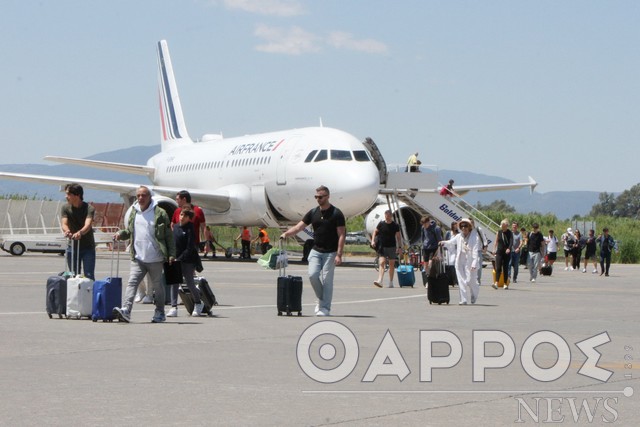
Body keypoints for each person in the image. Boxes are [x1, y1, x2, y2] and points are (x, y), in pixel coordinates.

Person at [112, 186, 176, 323]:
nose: (140, 198)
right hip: (138, 257)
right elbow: (129, 231)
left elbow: (168, 235)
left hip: (155, 257)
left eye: (144, 195)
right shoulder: (134, 212)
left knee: (157, 286)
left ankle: (160, 312)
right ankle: (126, 310)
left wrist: (171, 254)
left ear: (150, 197)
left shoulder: (159, 213)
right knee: (132, 283)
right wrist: (120, 234)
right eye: (138, 196)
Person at [280, 185, 345, 316]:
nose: (318, 199)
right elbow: (299, 227)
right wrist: (286, 234)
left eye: (320, 197)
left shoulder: (336, 213)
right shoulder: (313, 212)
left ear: (327, 196)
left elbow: (342, 235)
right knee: (312, 275)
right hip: (316, 251)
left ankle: (325, 308)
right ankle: (321, 300)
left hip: (331, 252)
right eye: (316, 197)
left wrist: (339, 254)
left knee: (327, 280)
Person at [167, 209, 204, 318]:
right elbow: (173, 243)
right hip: (175, 259)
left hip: (188, 260)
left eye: (185, 215)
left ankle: (198, 303)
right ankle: (173, 307)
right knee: (174, 283)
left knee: (189, 283)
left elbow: (190, 247)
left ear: (189, 218)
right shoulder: (176, 227)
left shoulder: (190, 228)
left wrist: (181, 258)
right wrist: (171, 255)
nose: (181, 217)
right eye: (181, 214)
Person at [439, 218, 481, 305]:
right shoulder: (459, 236)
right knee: (461, 281)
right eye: (462, 226)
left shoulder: (475, 237)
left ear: (469, 227)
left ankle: (474, 293)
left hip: (470, 262)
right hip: (459, 261)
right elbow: (451, 242)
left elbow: (475, 251)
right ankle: (463, 299)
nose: (463, 228)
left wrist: (473, 263)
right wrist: (443, 242)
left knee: (470, 281)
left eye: (465, 226)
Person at [60, 183, 96, 280]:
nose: (66, 197)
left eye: (68, 194)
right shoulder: (65, 208)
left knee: (89, 276)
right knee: (73, 276)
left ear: (77, 195)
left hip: (88, 247)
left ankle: (89, 295)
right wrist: (67, 231)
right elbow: (64, 223)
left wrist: (80, 233)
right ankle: (75, 295)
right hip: (72, 247)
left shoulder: (89, 208)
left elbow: (88, 225)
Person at [371, 210, 402, 288]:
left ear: (391, 216)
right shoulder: (381, 224)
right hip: (382, 246)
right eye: (386, 216)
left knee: (391, 264)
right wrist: (372, 240)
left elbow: (398, 237)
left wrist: (400, 247)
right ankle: (380, 280)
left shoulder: (395, 225)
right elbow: (375, 231)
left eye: (388, 216)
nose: (387, 217)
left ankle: (391, 282)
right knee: (382, 262)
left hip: (392, 247)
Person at [492, 219, 513, 290]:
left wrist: (509, 248)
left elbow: (511, 242)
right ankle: (496, 283)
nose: (502, 227)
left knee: (505, 268)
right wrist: (494, 249)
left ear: (506, 226)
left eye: (504, 226)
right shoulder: (499, 232)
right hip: (499, 252)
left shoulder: (510, 233)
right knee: (498, 267)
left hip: (506, 253)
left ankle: (505, 284)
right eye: (502, 226)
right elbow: (496, 241)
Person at [470, 218, 489, 285]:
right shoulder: (468, 231)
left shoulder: (478, 230)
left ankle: (478, 280)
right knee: (470, 266)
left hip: (478, 251)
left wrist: (485, 247)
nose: (470, 224)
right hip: (470, 251)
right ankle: (471, 280)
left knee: (479, 267)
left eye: (471, 222)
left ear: (473, 223)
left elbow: (484, 238)